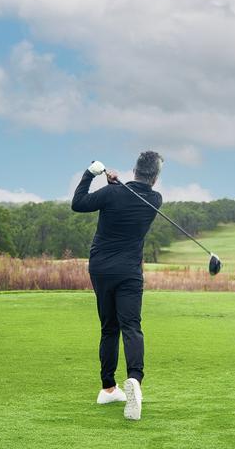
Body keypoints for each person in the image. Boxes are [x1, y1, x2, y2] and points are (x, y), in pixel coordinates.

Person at [71, 151, 164, 421]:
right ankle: (134, 379)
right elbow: (130, 197)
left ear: (134, 170)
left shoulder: (112, 194)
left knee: (109, 327)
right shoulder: (155, 199)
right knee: (131, 327)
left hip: (101, 268)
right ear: (155, 177)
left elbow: (78, 203)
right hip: (129, 272)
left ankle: (108, 387)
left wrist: (91, 174)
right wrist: (115, 185)